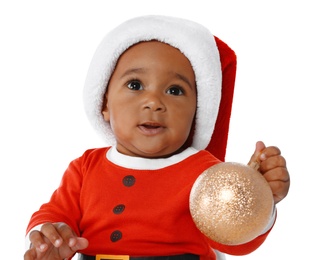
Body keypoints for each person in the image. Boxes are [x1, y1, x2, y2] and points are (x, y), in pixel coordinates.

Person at [24, 15, 290, 260]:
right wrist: (49, 237)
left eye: (175, 90)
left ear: (197, 112)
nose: (153, 102)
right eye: (135, 85)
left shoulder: (206, 172)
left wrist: (259, 200)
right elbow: (55, 213)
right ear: (104, 103)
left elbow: (235, 242)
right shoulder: (85, 167)